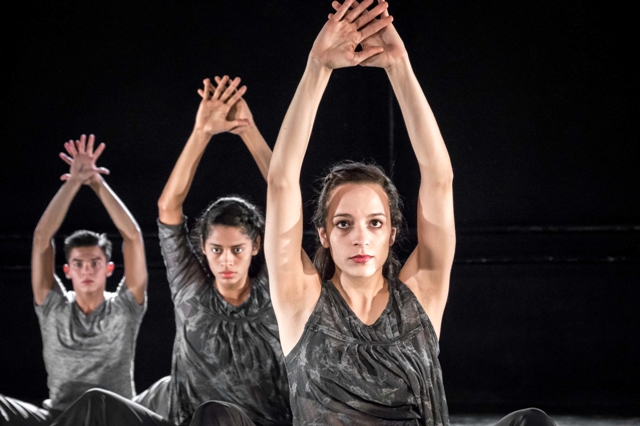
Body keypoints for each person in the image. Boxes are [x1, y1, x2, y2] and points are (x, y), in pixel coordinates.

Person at [265, 1, 556, 425]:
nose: (361, 237)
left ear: (391, 233)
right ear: (323, 235)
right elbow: (280, 182)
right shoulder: (300, 300)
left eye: (375, 223)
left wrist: (399, 67)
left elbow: (439, 178)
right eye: (344, 224)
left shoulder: (421, 294)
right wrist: (318, 67)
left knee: (530, 420)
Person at [49, 77, 291, 426]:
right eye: (216, 249)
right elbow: (168, 207)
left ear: (255, 247)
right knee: (96, 402)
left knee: (216, 412)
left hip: (255, 422)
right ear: (203, 248)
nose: (226, 260)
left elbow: (286, 197)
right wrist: (201, 132)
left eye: (237, 249)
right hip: (185, 422)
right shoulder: (190, 287)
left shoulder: (273, 290)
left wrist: (248, 129)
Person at [0, 135, 147, 425]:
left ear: (109, 268)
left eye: (95, 263)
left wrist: (97, 183)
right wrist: (74, 182)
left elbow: (133, 237)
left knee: (167, 386)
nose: (87, 270)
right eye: (78, 264)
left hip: (115, 417)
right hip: (60, 418)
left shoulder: (124, 308)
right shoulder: (54, 307)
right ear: (67, 271)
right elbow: (42, 239)